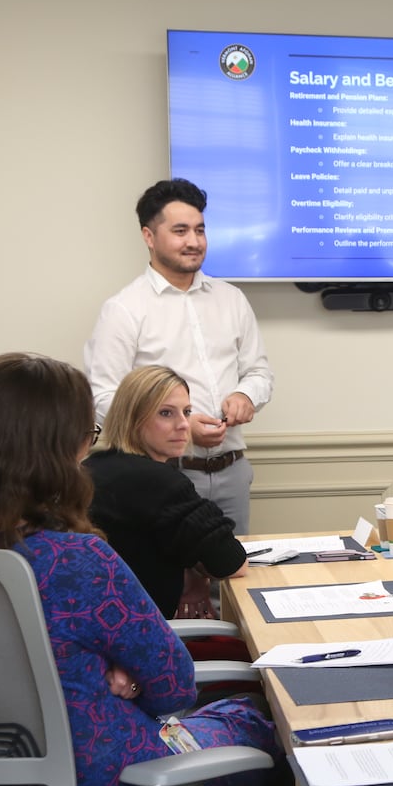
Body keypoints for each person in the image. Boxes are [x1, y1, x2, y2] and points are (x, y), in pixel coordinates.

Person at [0, 352, 282, 786]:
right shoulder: (75, 560)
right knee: (267, 730)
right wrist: (116, 676)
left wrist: (94, 668)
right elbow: (174, 688)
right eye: (87, 431)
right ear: (59, 449)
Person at [85, 178, 273, 534]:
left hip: (233, 470)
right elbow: (105, 398)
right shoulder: (124, 309)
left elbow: (259, 372)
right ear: (148, 236)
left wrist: (246, 395)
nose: (194, 241)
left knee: (234, 579)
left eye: (200, 230)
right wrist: (183, 430)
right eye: (181, 230)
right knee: (173, 587)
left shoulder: (231, 299)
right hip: (162, 475)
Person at [85, 365, 248, 619]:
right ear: (132, 419)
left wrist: (190, 570)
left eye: (187, 412)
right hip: (142, 638)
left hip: (94, 630)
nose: (184, 425)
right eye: (166, 413)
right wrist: (197, 570)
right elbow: (232, 562)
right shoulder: (160, 482)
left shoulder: (93, 466)